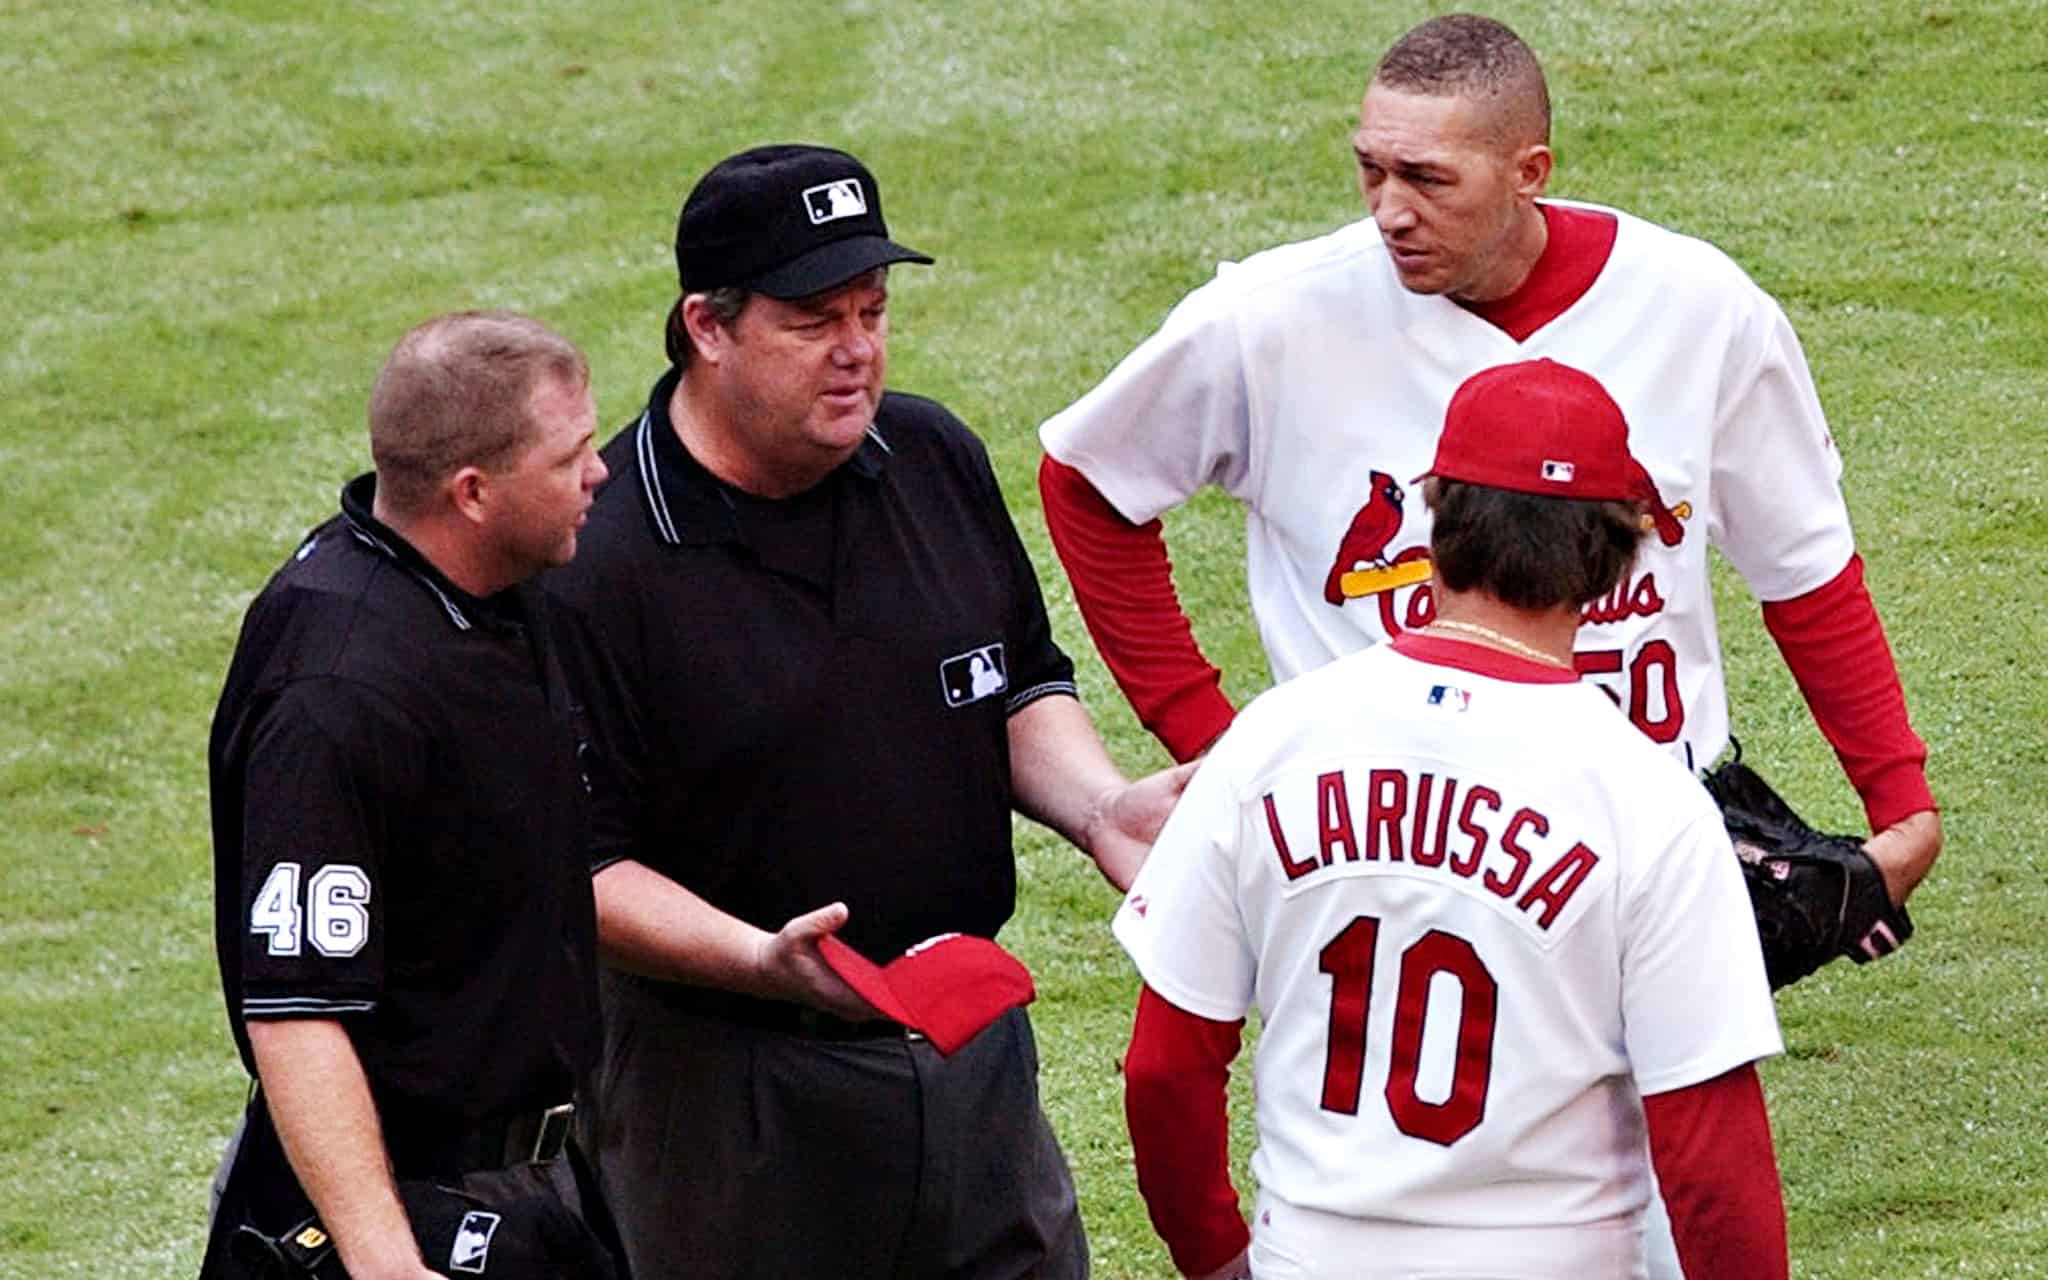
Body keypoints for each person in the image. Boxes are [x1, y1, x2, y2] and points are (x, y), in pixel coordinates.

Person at [1036, 13, 1940, 913]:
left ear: (1529, 172)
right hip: (1373, 855)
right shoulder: (1271, 318)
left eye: (1428, 178)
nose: (1390, 210)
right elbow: (1088, 483)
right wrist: (1211, 735)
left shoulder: (1698, 309)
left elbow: (1806, 569)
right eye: (1371, 169)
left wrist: (1899, 803)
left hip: (1644, 847)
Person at [543, 143, 1191, 1280]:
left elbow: (1013, 682)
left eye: (873, 310)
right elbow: (578, 866)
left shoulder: (931, 457)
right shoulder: (599, 557)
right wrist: (761, 959)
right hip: (726, 1090)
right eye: (812, 321)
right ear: (706, 327)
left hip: (969, 1050)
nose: (857, 350)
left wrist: (1098, 807)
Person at [1116, 357, 1791, 1280]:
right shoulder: (1650, 801)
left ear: (1438, 522)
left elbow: (1164, 1069)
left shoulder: (1271, 741)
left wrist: (1215, 1256)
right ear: (1613, 558)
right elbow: (1710, 1155)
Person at [201, 311, 623, 1279]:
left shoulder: (493, 591)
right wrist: (386, 1260)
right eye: (570, 456)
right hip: (402, 1208)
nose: (598, 474)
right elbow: (297, 1008)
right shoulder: (339, 690)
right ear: (473, 492)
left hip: (534, 1183)